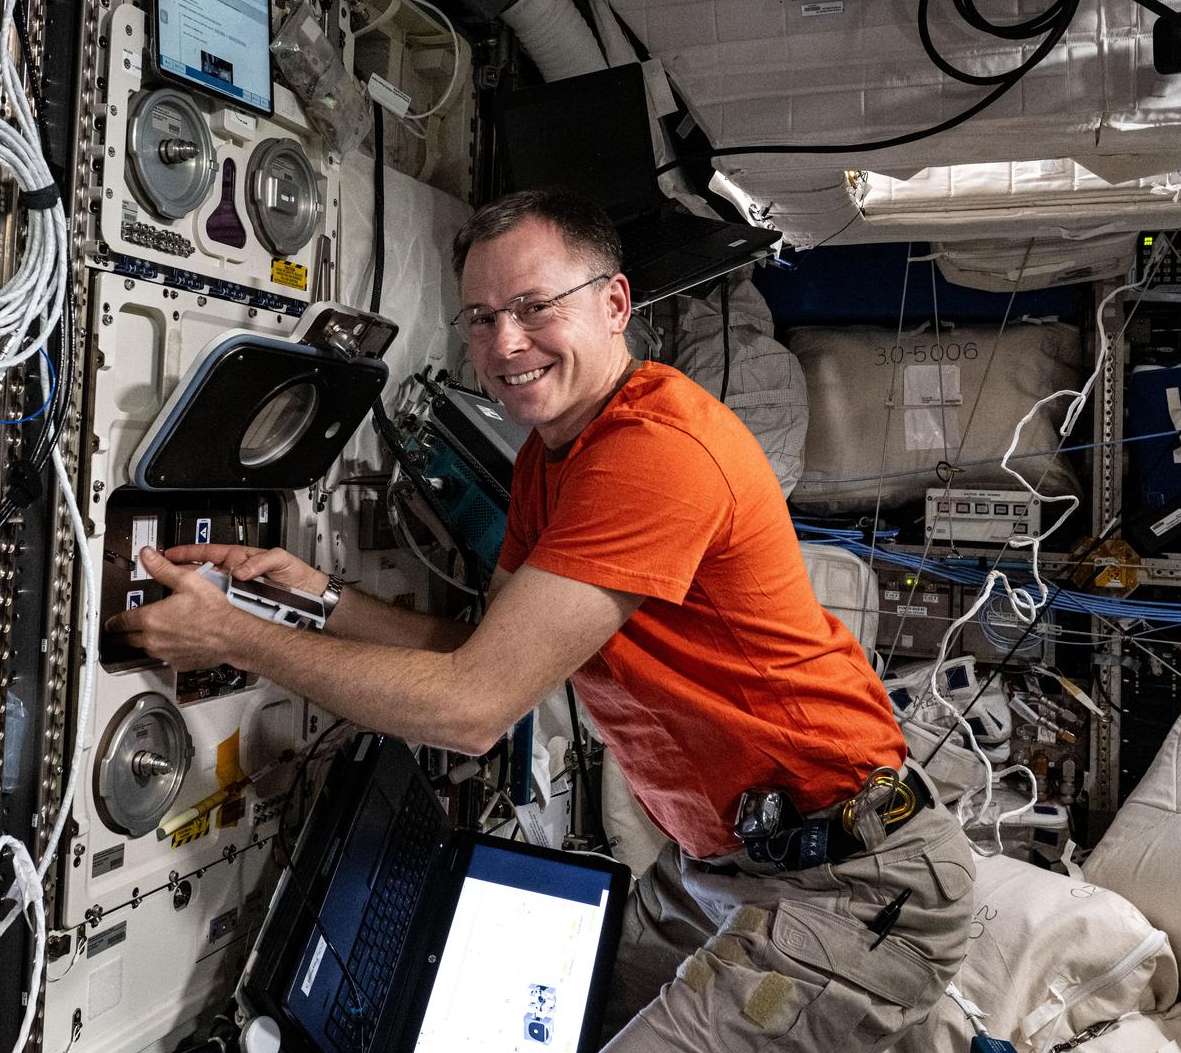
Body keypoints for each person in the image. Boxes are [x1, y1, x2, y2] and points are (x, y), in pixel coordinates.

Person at [111, 190, 973, 1050]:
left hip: (851, 882)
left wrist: (231, 637)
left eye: (533, 308)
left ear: (614, 303)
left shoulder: (656, 450)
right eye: (480, 319)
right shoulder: (551, 456)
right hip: (723, 867)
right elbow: (495, 657)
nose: (504, 345)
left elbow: (473, 707)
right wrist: (321, 597)